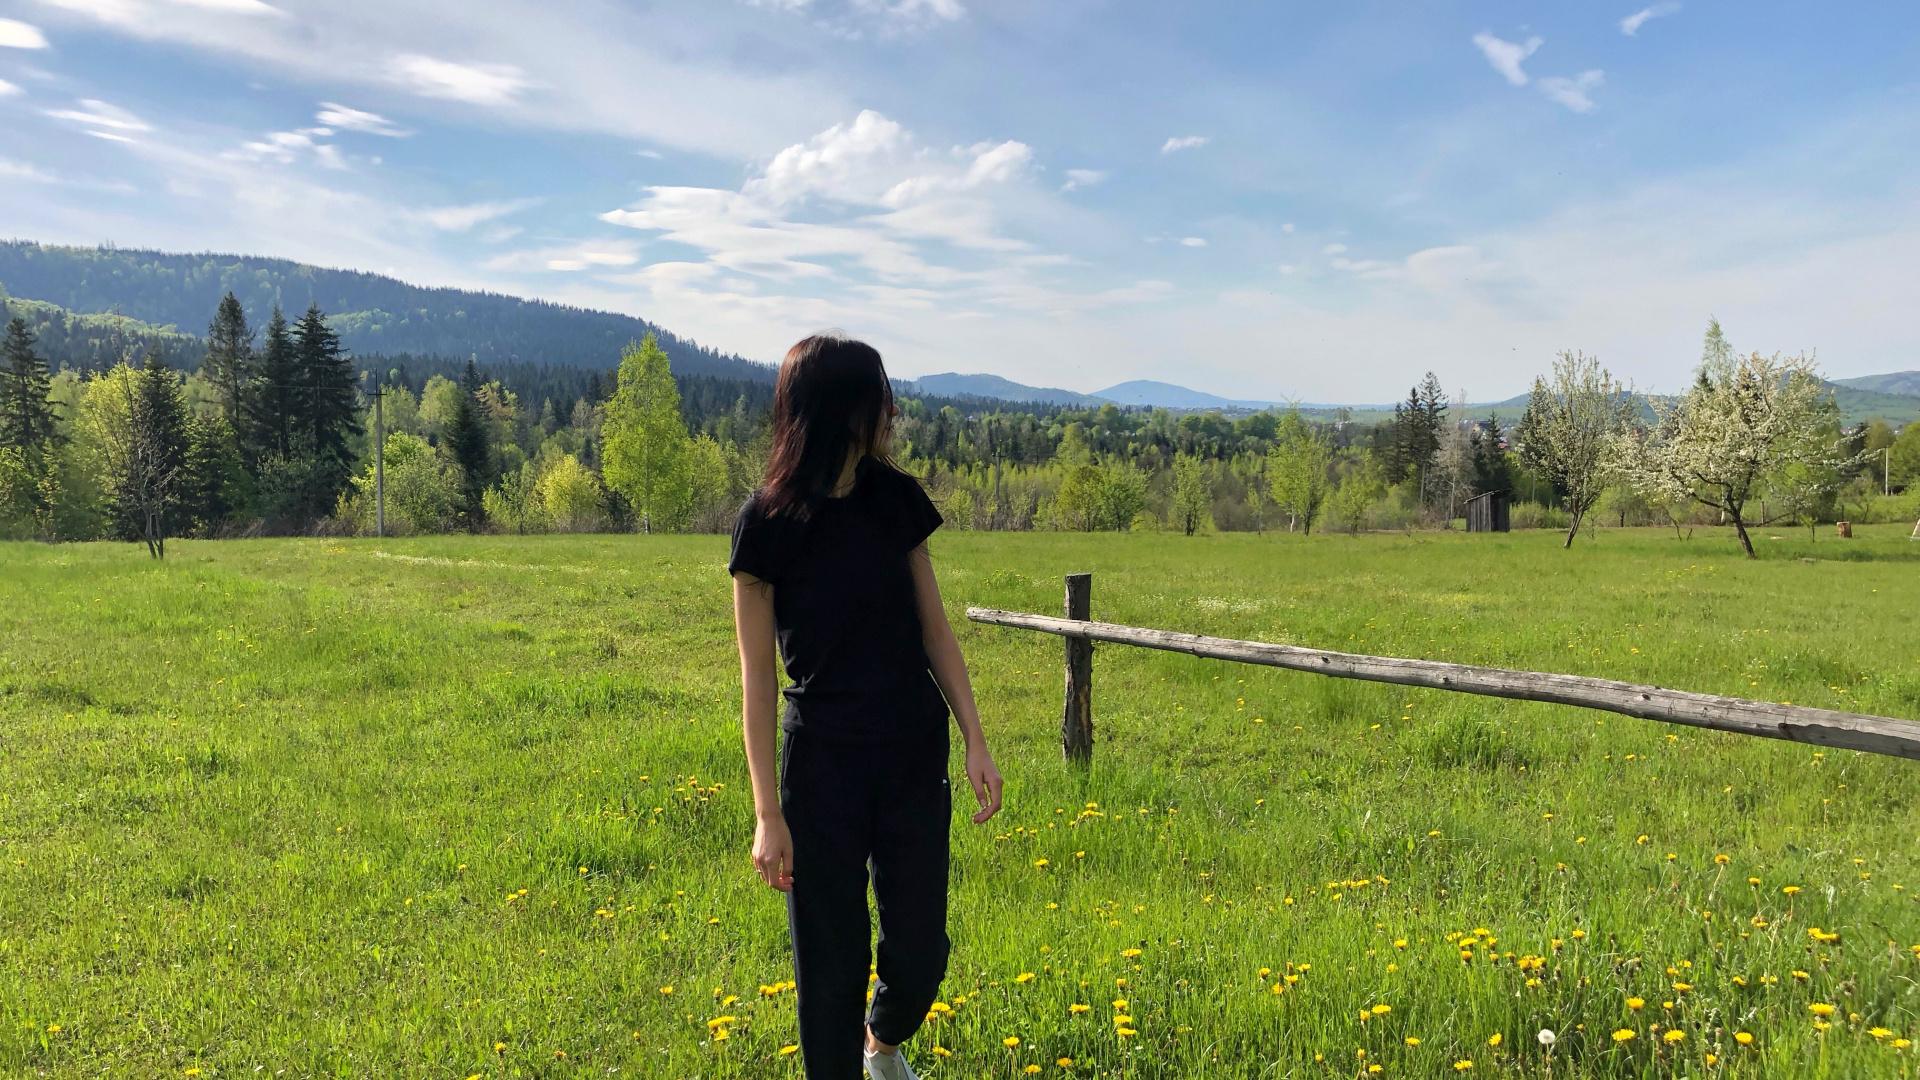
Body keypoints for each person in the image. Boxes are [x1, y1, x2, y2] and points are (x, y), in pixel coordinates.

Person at [731, 332, 1004, 1080]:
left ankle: (881, 1045)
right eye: (878, 397)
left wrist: (976, 739)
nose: (891, 410)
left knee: (921, 954)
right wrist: (766, 813)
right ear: (839, 409)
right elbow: (756, 678)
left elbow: (936, 632)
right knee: (830, 967)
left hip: (914, 752)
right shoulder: (767, 524)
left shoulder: (897, 501)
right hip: (821, 765)